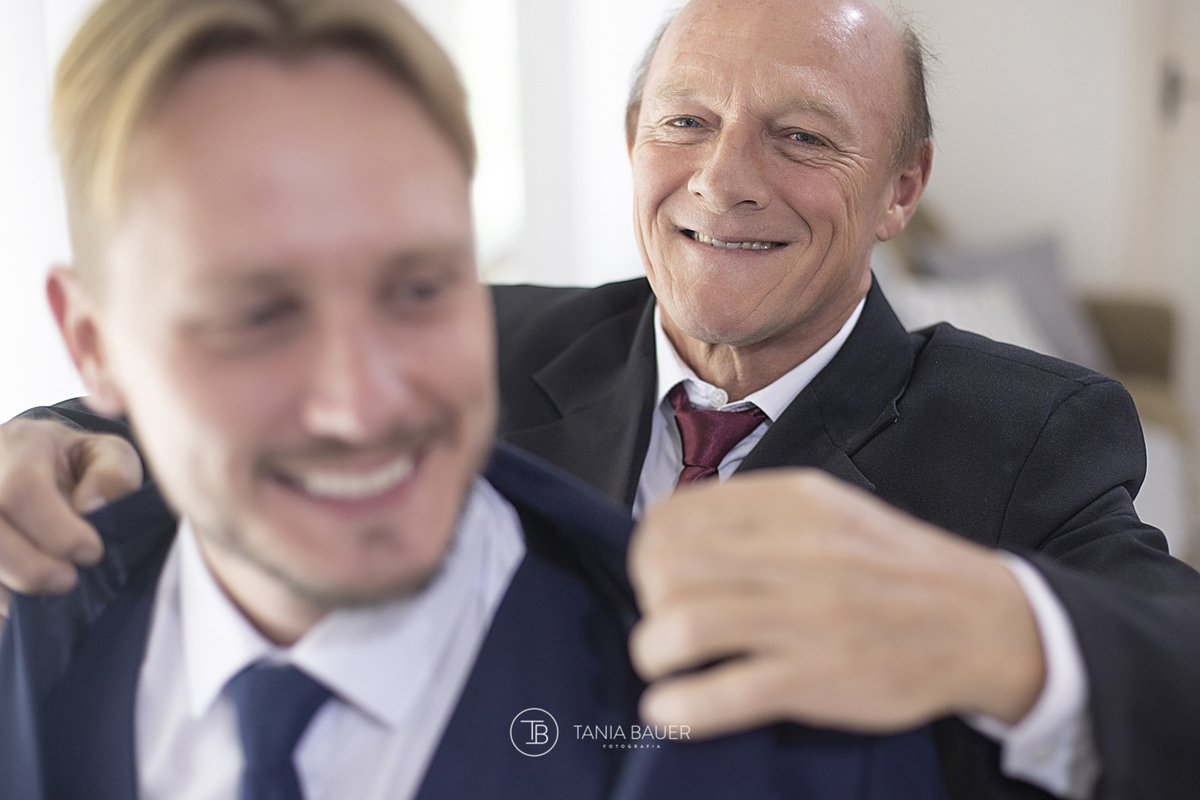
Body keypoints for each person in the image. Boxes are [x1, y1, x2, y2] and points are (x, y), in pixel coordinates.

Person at [0, 0, 1197, 798]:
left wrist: (998, 629)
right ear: (635, 140)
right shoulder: (488, 329)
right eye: (687, 122)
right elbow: (179, 395)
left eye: (802, 137)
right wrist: (40, 440)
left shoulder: (1026, 430)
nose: (726, 181)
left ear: (901, 188)